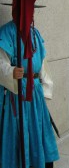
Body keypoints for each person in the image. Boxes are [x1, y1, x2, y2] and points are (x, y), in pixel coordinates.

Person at [0, 20, 59, 168]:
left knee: (38, 132)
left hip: (35, 93)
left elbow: (42, 64)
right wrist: (10, 71)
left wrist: (45, 87)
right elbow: (1, 61)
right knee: (19, 135)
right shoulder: (7, 32)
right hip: (17, 92)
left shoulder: (35, 33)